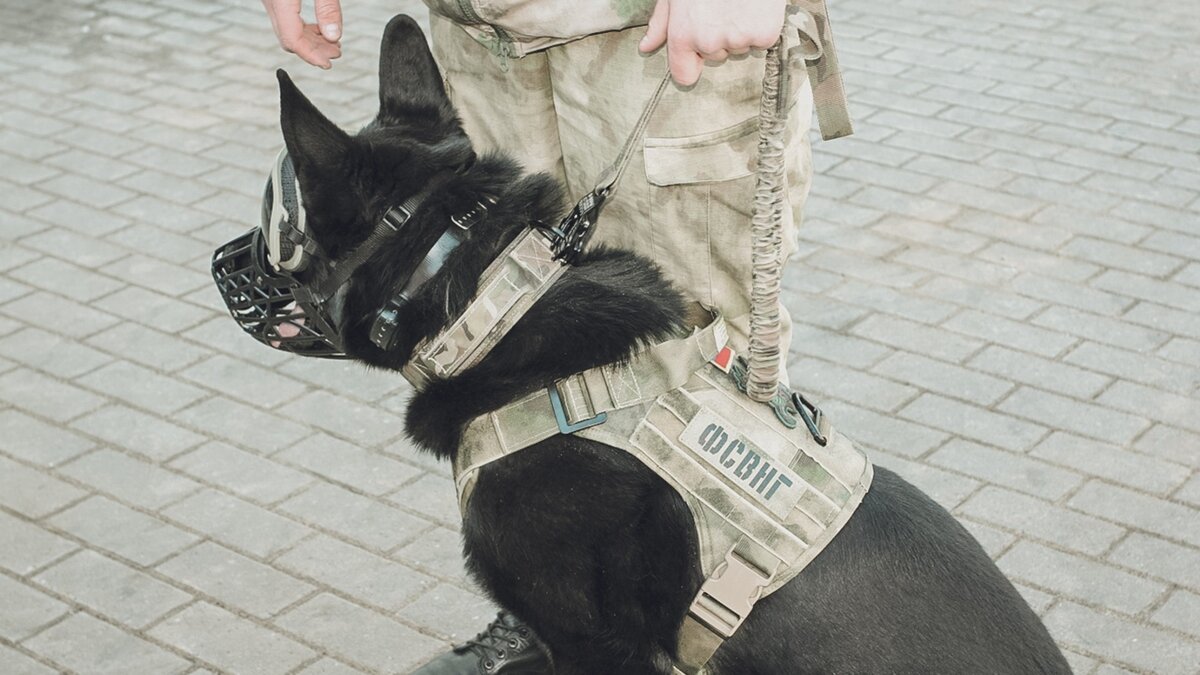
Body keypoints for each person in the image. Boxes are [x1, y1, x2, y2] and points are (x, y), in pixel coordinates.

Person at [261, 1, 815, 672]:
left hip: (657, 31)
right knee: (513, 364)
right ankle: (559, 616)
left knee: (693, 365)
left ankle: (758, 643)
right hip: (485, 25)